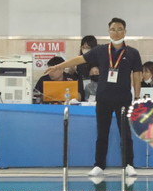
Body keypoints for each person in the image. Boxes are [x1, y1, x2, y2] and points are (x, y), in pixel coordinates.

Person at [51, 19, 143, 176]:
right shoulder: (100, 50)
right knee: (102, 133)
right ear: (109, 32)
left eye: (119, 29)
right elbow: (80, 59)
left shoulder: (133, 53)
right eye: (113, 29)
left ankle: (128, 164)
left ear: (125, 32)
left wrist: (138, 96)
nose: (116, 32)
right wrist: (58, 66)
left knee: (125, 134)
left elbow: (137, 75)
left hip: (123, 99)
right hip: (103, 98)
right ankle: (99, 165)